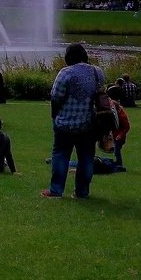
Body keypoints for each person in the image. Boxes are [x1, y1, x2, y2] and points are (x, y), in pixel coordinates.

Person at [43, 43, 104, 199]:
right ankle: (82, 192)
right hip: (88, 123)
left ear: (68, 57)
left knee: (60, 155)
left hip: (64, 122)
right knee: (86, 158)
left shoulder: (65, 73)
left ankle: (56, 190)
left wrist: (54, 116)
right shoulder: (97, 72)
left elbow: (56, 97)